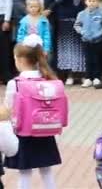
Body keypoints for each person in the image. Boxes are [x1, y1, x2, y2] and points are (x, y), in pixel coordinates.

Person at [5, 35, 61, 189]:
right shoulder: (48, 79)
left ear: (21, 60)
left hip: (23, 132)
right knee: (46, 169)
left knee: (24, 172)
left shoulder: (14, 83)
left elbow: (8, 108)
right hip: (45, 129)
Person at [54, 0, 87, 85]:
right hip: (65, 20)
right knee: (68, 49)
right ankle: (70, 75)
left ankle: (82, 74)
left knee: (81, 48)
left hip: (81, 20)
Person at [74, 0, 102, 88]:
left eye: (94, 1)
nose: (91, 3)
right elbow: (76, 25)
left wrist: (99, 33)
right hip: (86, 40)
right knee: (88, 59)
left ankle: (97, 77)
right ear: (85, 2)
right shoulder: (81, 14)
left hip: (98, 41)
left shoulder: (101, 13)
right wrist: (82, 32)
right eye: (89, 1)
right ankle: (88, 78)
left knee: (97, 59)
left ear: (97, 2)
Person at [0, 0, 11, 83]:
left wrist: (7, 19)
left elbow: (8, 0)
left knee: (3, 48)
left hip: (1, 16)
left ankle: (6, 76)